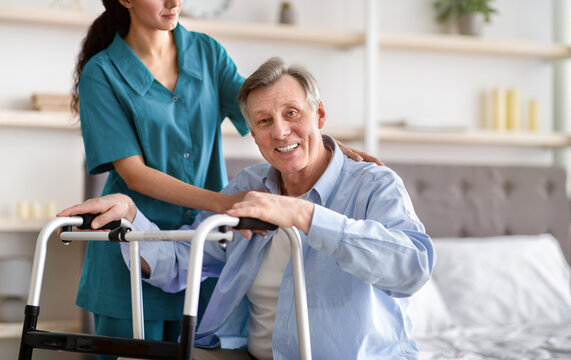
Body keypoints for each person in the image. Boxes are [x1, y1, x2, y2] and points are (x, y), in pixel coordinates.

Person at [61, 57, 434, 359]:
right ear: (253, 135)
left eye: (292, 114)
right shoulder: (249, 187)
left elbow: (412, 268)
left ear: (319, 116)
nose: (281, 132)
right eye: (264, 122)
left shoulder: (374, 185)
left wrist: (302, 215)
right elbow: (183, 262)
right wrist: (130, 214)